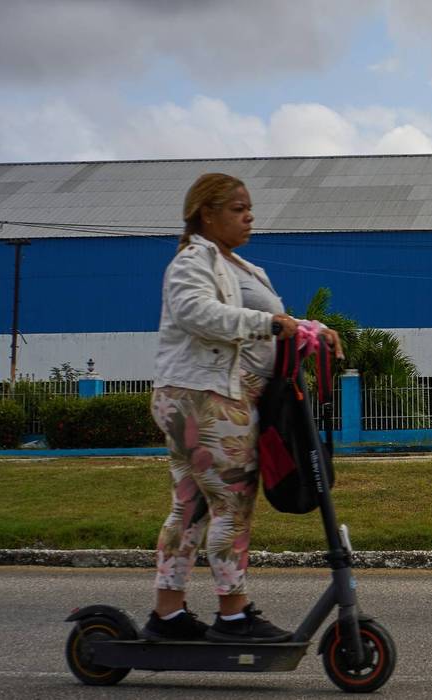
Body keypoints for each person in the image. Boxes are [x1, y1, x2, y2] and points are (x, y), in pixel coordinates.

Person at [142, 173, 343, 643]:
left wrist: (309, 329)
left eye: (248, 207)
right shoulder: (193, 261)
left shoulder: (242, 267)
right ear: (206, 214)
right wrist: (269, 325)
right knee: (232, 505)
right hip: (205, 397)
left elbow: (272, 322)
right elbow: (197, 314)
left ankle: (166, 615)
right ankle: (233, 615)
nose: (248, 215)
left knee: (190, 507)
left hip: (210, 396)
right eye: (237, 209)